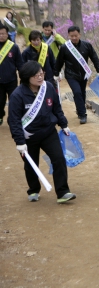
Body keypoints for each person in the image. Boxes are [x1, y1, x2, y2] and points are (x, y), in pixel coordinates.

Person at [8, 60, 76, 203]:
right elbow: (14, 120)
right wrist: (20, 141)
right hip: (28, 137)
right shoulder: (17, 95)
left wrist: (63, 124)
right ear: (27, 77)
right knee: (31, 165)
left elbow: (57, 108)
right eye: (36, 75)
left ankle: (63, 192)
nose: (40, 77)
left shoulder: (49, 87)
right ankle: (33, 189)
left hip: (48, 132)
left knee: (58, 159)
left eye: (41, 73)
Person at [54, 25, 99, 124]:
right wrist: (56, 73)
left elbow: (94, 57)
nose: (74, 38)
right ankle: (82, 114)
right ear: (68, 36)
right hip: (71, 75)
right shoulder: (65, 47)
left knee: (82, 92)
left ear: (79, 34)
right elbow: (59, 61)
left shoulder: (87, 45)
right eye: (71, 36)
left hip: (84, 74)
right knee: (77, 92)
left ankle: (79, 108)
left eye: (76, 35)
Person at [0, 24, 24, 126]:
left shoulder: (13, 47)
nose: (1, 36)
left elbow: (20, 63)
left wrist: (23, 75)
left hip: (11, 80)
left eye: (3, 34)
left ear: (7, 34)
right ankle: (0, 115)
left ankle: (13, 119)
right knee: (0, 101)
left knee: (14, 101)